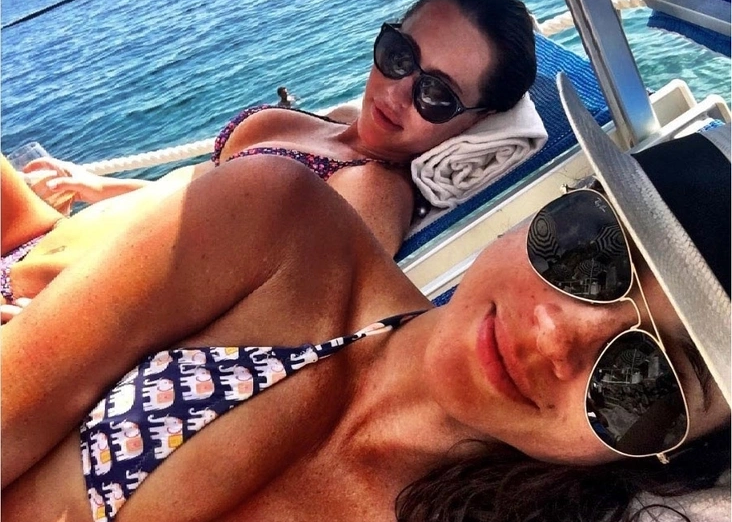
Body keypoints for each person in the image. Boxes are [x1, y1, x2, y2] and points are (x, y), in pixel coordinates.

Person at [1, 74, 729, 521]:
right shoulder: (275, 226)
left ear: (672, 451)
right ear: (554, 206)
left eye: (654, 377)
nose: (556, 336)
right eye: (592, 253)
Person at [0, 0, 537, 312]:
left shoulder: (371, 192)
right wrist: (97, 186)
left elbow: (255, 326)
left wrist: (53, 331)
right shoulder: (342, 122)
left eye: (436, 95)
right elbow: (200, 200)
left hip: (39, 304)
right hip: (43, 238)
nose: (397, 92)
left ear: (475, 122)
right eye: (400, 56)